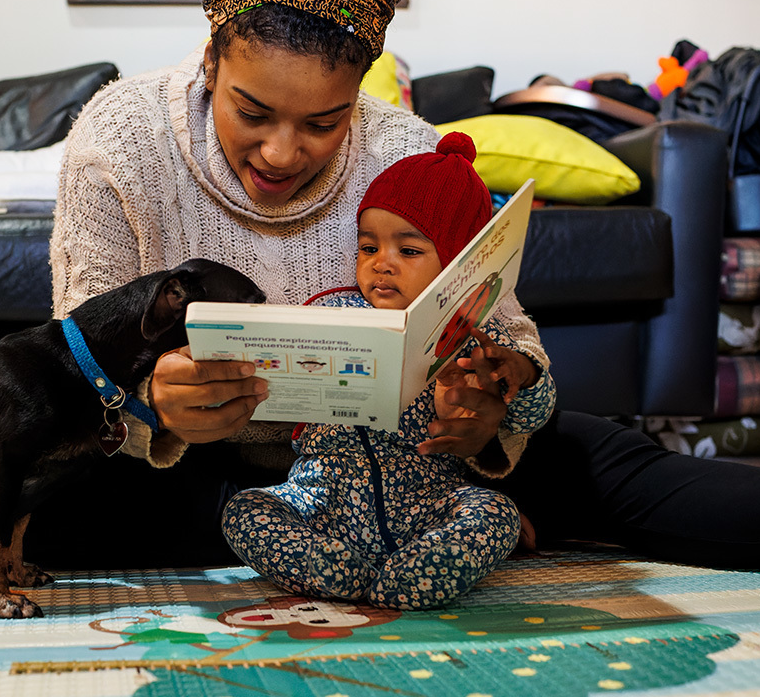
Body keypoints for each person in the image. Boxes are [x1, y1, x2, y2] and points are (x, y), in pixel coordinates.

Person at [37, 0, 760, 573]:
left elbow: (506, 333)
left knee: (625, 467)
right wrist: (149, 404)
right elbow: (74, 370)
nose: (281, 153)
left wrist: (495, 400)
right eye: (253, 112)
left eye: (323, 122)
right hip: (201, 467)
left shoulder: (408, 149)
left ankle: (415, 528)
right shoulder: (121, 135)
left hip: (413, 461)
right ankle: (390, 537)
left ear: (361, 88)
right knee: (49, 511)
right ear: (213, 57)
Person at [221, 132, 554, 609]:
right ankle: (337, 574)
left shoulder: (477, 335)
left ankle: (413, 577)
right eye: (368, 248)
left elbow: (530, 418)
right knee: (244, 510)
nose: (382, 264)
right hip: (321, 499)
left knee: (496, 512)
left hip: (428, 503)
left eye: (408, 251)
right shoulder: (331, 311)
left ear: (458, 263)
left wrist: (522, 375)